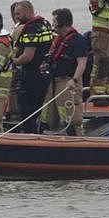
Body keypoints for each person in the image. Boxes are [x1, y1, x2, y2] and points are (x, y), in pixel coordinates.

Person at [40, 8, 89, 136]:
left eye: (54, 21)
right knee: (48, 115)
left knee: (71, 117)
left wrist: (74, 80)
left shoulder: (78, 41)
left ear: (62, 23)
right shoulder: (58, 40)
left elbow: (82, 64)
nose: (53, 24)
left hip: (68, 83)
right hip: (53, 82)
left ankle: (77, 139)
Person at [10, 0, 54, 133]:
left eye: (18, 14)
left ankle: (30, 136)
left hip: (32, 74)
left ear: (27, 12)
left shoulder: (30, 28)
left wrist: (13, 61)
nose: (16, 17)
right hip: (45, 72)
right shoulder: (45, 24)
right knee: (38, 109)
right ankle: (38, 132)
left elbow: (28, 56)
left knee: (27, 111)